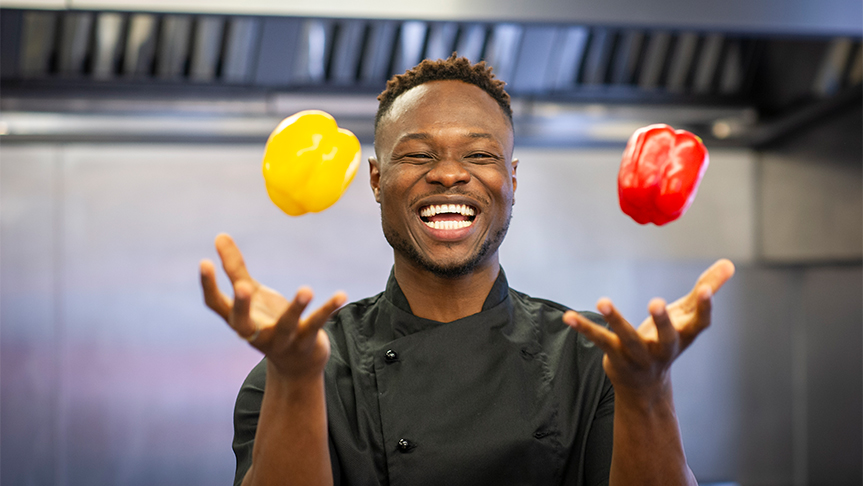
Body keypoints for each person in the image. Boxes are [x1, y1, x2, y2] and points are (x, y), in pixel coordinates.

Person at [199, 55, 735, 486]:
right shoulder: (297, 369)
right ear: (376, 182)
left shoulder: (595, 359)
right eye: (417, 156)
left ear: (512, 180)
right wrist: (295, 379)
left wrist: (648, 391)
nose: (450, 174)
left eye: (479, 156)